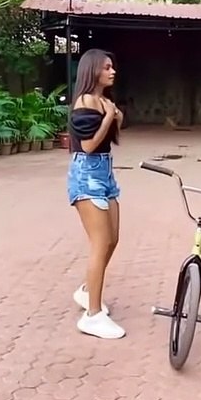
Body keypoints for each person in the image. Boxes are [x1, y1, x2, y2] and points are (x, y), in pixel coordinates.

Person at [67, 48, 125, 340]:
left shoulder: (103, 101)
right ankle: (92, 315)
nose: (112, 71)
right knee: (100, 243)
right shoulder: (85, 101)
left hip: (105, 172)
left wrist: (114, 116)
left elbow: (110, 138)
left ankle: (87, 290)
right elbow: (89, 145)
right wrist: (109, 116)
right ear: (92, 71)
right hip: (87, 174)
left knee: (112, 239)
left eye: (112, 67)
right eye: (106, 67)